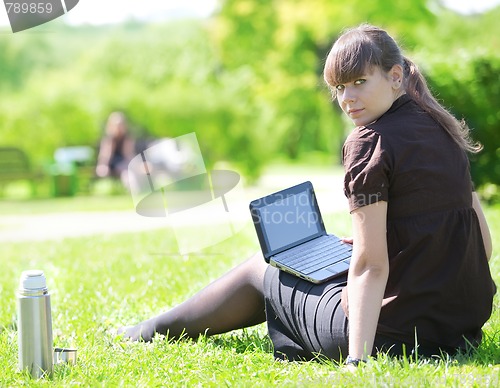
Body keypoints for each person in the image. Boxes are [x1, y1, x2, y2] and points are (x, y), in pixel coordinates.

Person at [117, 24, 496, 366]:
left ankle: (147, 331)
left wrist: (357, 360)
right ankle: (149, 329)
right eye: (339, 87)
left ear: (395, 76)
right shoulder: (440, 126)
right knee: (323, 268)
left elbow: (370, 267)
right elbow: (482, 241)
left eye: (359, 82)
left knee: (264, 268)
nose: (347, 98)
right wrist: (395, 242)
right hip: (456, 331)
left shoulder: (369, 142)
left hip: (392, 336)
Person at [95, 111, 136, 188]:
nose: (118, 128)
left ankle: (131, 188)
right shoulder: (108, 140)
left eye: (120, 125)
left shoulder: (127, 139)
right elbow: (105, 156)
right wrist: (102, 165)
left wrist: (134, 166)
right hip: (111, 163)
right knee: (103, 171)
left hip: (122, 163)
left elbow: (128, 155)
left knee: (126, 172)